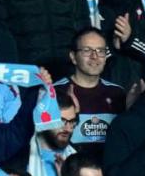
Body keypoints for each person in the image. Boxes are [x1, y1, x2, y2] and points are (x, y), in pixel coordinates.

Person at [54, 29, 127, 159]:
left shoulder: (118, 93)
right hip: (68, 171)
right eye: (87, 50)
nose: (95, 56)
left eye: (100, 51)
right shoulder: (54, 92)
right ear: (73, 57)